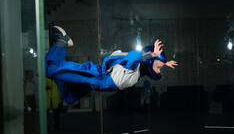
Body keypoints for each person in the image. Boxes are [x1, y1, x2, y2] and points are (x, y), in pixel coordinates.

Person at [45, 26, 177, 104]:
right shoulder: (134, 66)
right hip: (98, 76)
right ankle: (63, 41)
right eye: (159, 68)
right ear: (148, 61)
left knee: (69, 96)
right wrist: (151, 55)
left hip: (97, 83)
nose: (159, 71)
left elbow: (147, 67)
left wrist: (165, 62)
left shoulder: (138, 73)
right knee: (50, 69)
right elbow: (133, 57)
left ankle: (60, 82)